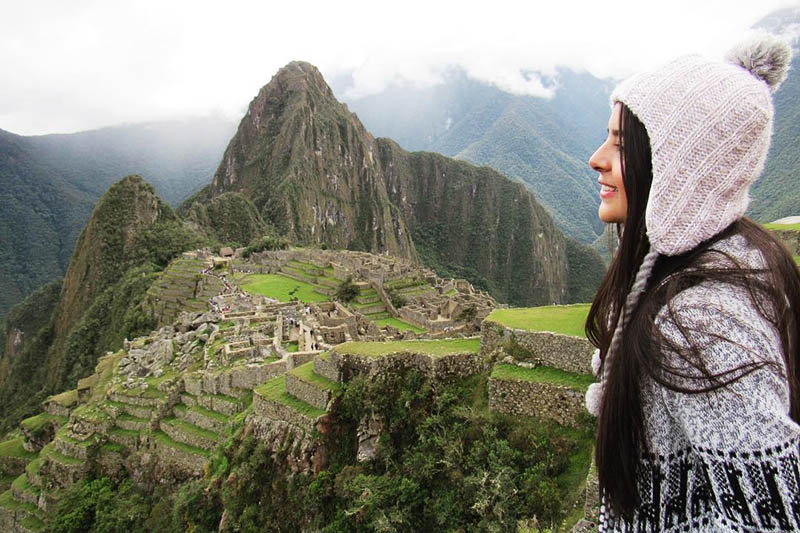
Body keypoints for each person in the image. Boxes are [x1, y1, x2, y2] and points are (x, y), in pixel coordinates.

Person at [584, 35, 800, 531]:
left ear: (676, 168)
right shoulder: (737, 265)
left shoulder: (700, 323)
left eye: (620, 145)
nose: (597, 158)